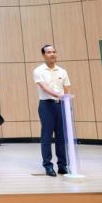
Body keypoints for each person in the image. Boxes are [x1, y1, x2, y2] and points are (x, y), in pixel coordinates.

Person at [32, 45, 71, 177]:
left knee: (62, 136)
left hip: (61, 105)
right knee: (47, 136)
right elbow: (44, 88)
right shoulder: (38, 71)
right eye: (49, 52)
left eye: (54, 52)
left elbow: (67, 88)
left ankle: (62, 165)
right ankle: (48, 166)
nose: (52, 54)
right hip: (46, 105)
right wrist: (59, 95)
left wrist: (66, 101)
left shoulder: (62, 71)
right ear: (43, 55)